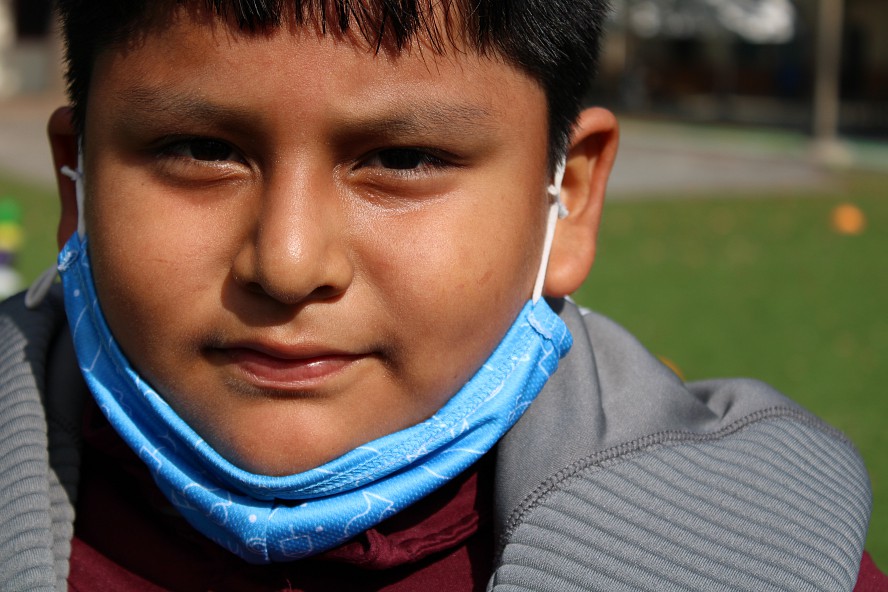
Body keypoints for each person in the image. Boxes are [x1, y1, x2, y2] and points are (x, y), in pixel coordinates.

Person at [0, 1, 883, 590]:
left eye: (403, 160)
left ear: (565, 200)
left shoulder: (768, 556)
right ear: (76, 185)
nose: (289, 261)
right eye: (198, 148)